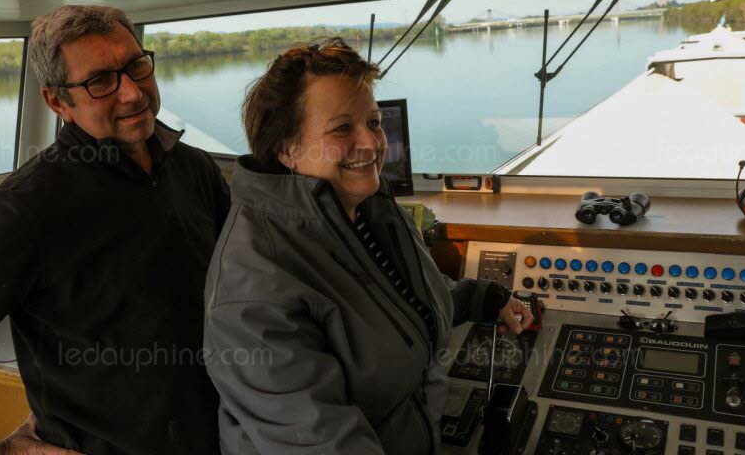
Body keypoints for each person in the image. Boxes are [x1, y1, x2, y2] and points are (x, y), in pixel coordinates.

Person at [0, 5, 230, 455]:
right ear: (57, 102)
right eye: (101, 81)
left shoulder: (194, 169)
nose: (132, 92)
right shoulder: (29, 207)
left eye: (136, 66)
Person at [203, 38, 533, 455]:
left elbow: (392, 301)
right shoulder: (254, 287)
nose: (372, 143)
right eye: (342, 128)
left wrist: (482, 298)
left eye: (374, 122)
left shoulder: (363, 207)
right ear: (287, 148)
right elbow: (320, 442)